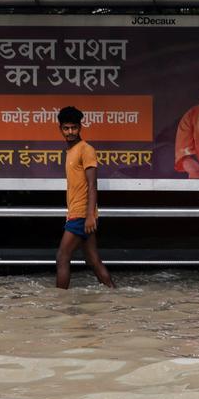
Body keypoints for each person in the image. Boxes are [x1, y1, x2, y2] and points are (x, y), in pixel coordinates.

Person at [55, 105, 115, 290]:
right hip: (78, 213)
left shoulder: (86, 149)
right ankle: (114, 294)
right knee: (93, 259)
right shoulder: (70, 151)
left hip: (81, 214)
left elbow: (92, 185)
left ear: (80, 127)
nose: (70, 131)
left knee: (62, 258)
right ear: (61, 129)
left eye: (74, 127)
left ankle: (60, 302)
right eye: (66, 128)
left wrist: (89, 215)